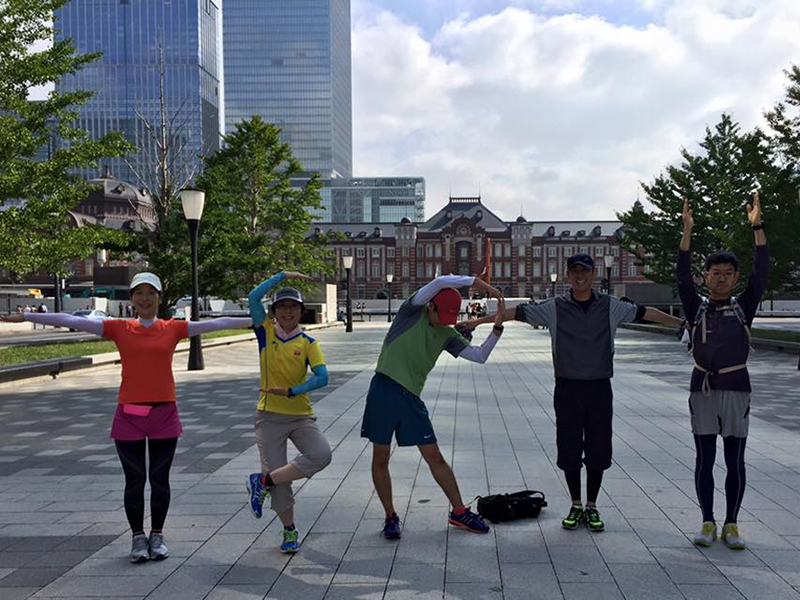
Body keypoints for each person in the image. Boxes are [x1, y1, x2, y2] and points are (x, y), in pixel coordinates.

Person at [1, 272, 253, 563]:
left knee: (159, 479)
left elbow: (216, 323)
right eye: (139, 293)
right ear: (131, 298)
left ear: (159, 297)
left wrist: (253, 320)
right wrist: (30, 316)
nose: (145, 299)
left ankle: (157, 536)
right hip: (129, 416)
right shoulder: (120, 328)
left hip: (164, 415)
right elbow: (73, 321)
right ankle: (137, 538)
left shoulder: (173, 328)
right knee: (135, 480)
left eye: (151, 293)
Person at [463, 253, 681, 533]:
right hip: (567, 388)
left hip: (600, 387)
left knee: (598, 448)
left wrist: (682, 324)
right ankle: (576, 504)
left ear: (593, 275)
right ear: (568, 276)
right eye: (575, 272)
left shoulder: (610, 307)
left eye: (585, 272)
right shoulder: (555, 307)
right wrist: (476, 323)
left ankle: (592, 505)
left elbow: (645, 312)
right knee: (569, 448)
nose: (580, 276)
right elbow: (514, 313)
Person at [361, 274, 505, 539]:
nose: (445, 322)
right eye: (443, 315)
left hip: (411, 399)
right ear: (431, 305)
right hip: (384, 388)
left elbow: (479, 356)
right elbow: (439, 282)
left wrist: (496, 331)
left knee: (435, 456)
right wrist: (477, 282)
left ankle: (459, 511)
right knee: (380, 458)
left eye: (451, 317)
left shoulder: (446, 333)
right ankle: (390, 516)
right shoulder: (410, 312)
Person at [678, 194, 768, 550]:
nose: (721, 279)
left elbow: (762, 270)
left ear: (734, 278)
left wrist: (757, 227)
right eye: (715, 273)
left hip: (736, 387)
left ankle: (731, 523)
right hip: (702, 387)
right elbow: (681, 275)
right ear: (706, 277)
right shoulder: (695, 307)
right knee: (704, 458)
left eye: (728, 274)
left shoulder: (744, 306)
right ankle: (707, 521)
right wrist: (687, 232)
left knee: (735, 460)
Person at [245, 271, 332, 554]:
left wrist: (293, 390)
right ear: (274, 312)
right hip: (269, 417)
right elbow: (253, 296)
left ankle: (263, 482)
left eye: (293, 307)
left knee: (321, 455)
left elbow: (323, 377)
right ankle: (289, 530)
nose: (287, 311)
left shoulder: (308, 343)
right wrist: (282, 276)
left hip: (301, 415)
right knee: (281, 479)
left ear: (300, 311)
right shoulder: (265, 332)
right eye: (282, 306)